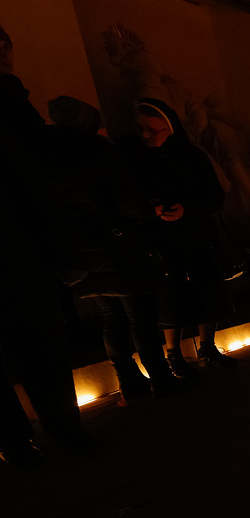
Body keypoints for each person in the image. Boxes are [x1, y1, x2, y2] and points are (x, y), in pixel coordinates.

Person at [42, 96, 185, 402]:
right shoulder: (97, 150)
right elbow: (126, 201)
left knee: (111, 317)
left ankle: (129, 382)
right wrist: (148, 211)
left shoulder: (44, 154)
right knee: (140, 316)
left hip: (82, 253)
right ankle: (161, 379)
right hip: (116, 247)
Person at [0, 34, 94, 464]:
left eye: (5, 44)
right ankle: (47, 435)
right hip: (17, 248)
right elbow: (35, 182)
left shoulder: (13, 104)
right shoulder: (12, 105)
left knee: (39, 343)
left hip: (18, 246)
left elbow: (34, 183)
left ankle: (27, 439)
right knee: (40, 344)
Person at [119, 97, 233, 374]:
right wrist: (149, 210)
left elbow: (215, 198)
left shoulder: (192, 157)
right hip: (157, 240)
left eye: (153, 130)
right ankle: (173, 354)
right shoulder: (131, 157)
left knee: (207, 290)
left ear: (170, 128)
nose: (146, 135)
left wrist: (187, 209)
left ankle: (207, 347)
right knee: (170, 297)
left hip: (195, 235)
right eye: (141, 128)